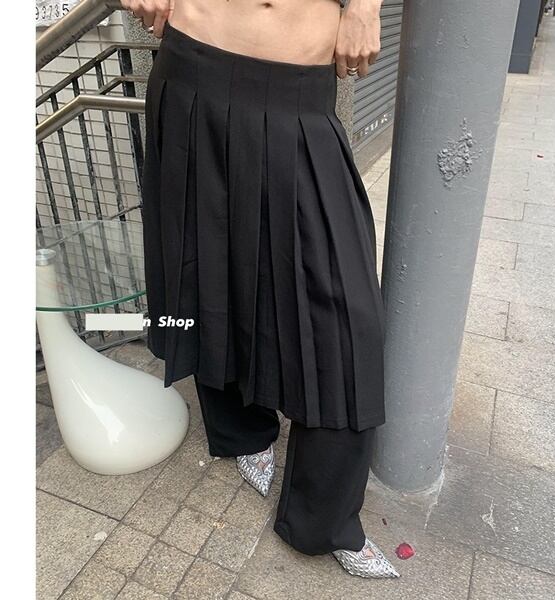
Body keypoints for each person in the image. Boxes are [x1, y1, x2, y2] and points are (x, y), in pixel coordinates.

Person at [122, 0, 398, 579]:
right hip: (193, 69)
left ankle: (322, 518)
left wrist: (367, 5)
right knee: (203, 267)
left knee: (348, 321)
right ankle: (241, 431)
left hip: (299, 90)